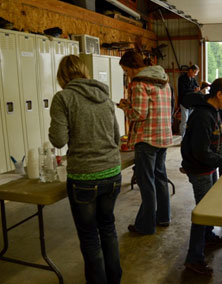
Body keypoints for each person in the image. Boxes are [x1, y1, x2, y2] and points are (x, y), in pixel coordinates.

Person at [49, 55, 122, 284]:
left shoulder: (63, 98)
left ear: (62, 76)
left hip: (84, 178)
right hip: (112, 173)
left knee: (90, 237)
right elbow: (116, 137)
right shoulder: (105, 97)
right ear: (84, 72)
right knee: (108, 229)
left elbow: (59, 140)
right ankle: (115, 280)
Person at [181, 78, 222, 275]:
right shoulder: (201, 117)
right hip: (199, 169)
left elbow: (220, 137)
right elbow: (200, 151)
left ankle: (207, 236)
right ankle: (194, 258)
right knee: (203, 212)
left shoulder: (214, 111)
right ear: (219, 95)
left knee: (210, 205)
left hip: (208, 167)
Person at [117, 50, 173, 234]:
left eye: (126, 70)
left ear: (133, 67)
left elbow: (139, 114)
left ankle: (145, 225)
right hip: (163, 136)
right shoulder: (162, 80)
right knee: (160, 178)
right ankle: (163, 217)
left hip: (147, 139)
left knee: (146, 182)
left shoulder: (139, 83)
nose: (127, 75)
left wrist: (126, 107)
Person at [178, 65, 200, 137]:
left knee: (190, 121)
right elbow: (183, 90)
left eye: (196, 73)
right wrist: (194, 90)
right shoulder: (182, 78)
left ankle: (189, 137)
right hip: (184, 101)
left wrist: (198, 88)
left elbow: (197, 87)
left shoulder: (193, 79)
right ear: (190, 70)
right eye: (194, 73)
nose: (195, 75)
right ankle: (183, 137)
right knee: (184, 120)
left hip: (191, 102)